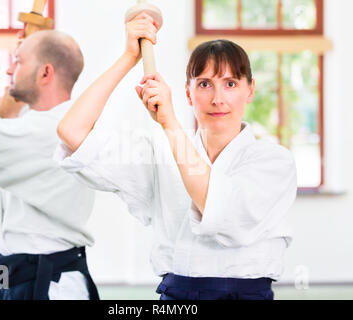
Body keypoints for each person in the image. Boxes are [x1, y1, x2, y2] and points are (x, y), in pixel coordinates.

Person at [56, 15, 296, 299]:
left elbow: (216, 207)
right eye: (205, 84)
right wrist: (128, 58)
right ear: (188, 93)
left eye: (230, 84)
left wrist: (170, 124)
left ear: (250, 90)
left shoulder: (273, 162)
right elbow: (72, 132)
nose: (218, 98)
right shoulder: (161, 155)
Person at [0, 30, 100, 300]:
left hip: (49, 281)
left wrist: (5, 110)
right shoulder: (34, 127)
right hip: (11, 273)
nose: (9, 70)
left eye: (18, 61)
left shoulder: (58, 130)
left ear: (45, 73)